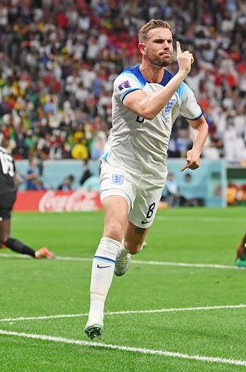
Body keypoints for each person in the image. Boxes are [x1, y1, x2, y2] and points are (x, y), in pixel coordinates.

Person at [84, 19, 209, 340]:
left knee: (135, 245)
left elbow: (200, 124)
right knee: (112, 228)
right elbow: (147, 109)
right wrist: (181, 75)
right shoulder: (126, 80)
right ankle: (95, 314)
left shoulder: (181, 89)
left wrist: (196, 149)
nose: (167, 46)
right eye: (158, 42)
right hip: (120, 165)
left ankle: (125, 252)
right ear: (143, 48)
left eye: (169, 41)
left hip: (153, 174)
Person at [0, 125, 54, 260]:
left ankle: (36, 253)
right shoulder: (6, 153)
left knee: (4, 238)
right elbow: (13, 179)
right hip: (7, 194)